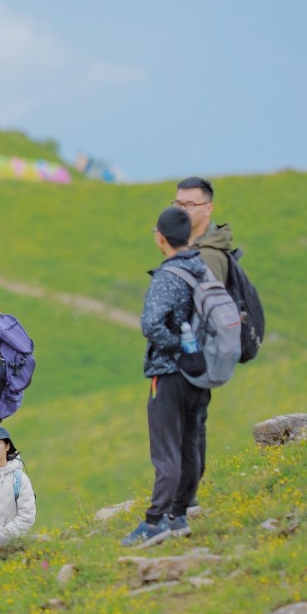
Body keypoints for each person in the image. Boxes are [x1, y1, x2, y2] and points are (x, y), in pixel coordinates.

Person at [124, 206, 213, 545]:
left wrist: (177, 347)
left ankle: (155, 521)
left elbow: (150, 324)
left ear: (160, 237)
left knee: (166, 449)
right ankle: (179, 515)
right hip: (200, 372)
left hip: (170, 372)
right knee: (190, 442)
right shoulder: (202, 268)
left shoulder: (169, 275)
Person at [175, 176, 233, 510]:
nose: (182, 210)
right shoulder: (192, 247)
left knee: (190, 426)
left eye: (190, 204)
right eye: (178, 203)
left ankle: (185, 502)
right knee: (188, 425)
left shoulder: (209, 256)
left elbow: (209, 312)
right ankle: (185, 499)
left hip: (196, 356)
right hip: (190, 353)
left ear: (208, 209)